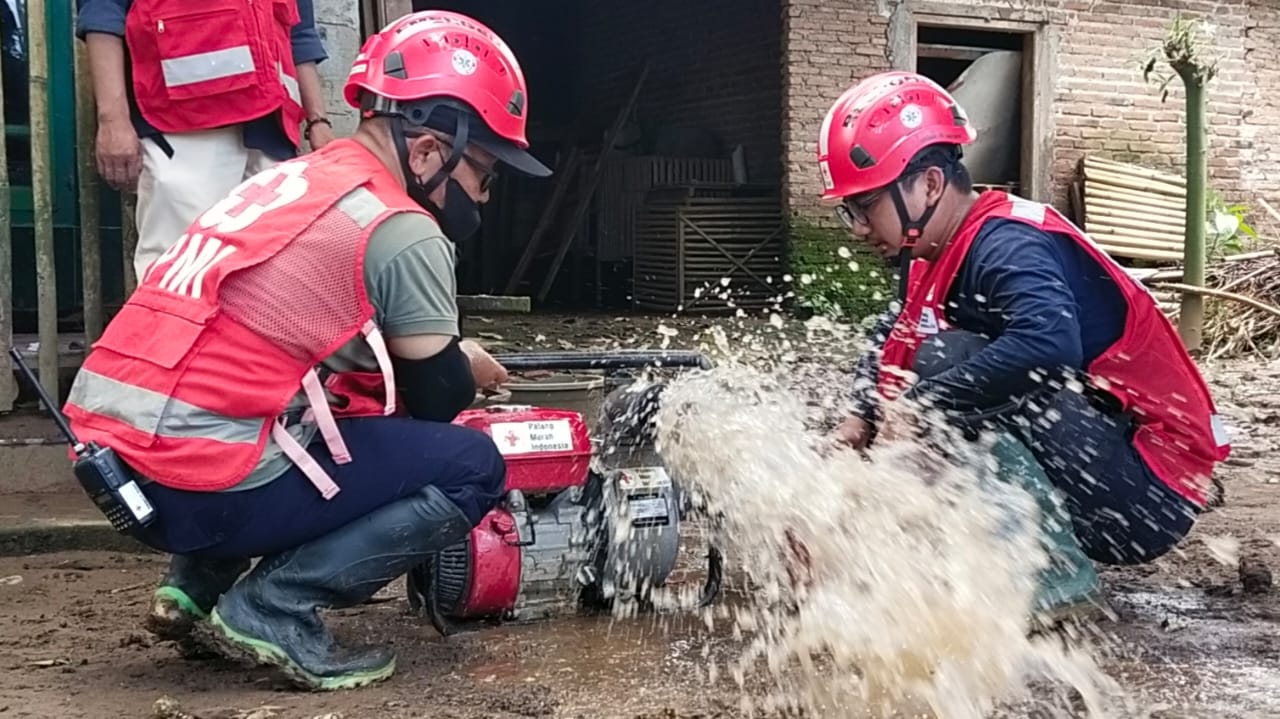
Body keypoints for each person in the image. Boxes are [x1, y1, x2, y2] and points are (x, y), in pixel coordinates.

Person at [60, 10, 553, 690]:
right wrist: (458, 362)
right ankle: (275, 606)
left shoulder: (299, 181)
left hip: (116, 459)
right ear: (430, 151)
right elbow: (439, 397)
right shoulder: (403, 228)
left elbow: (293, 328)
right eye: (485, 175)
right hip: (200, 492)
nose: (483, 197)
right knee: (470, 465)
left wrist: (447, 346)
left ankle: (193, 585)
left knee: (320, 411)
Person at [817, 71, 1231, 622]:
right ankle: (978, 559)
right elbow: (893, 329)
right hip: (1104, 461)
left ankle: (1053, 577)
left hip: (1150, 493)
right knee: (934, 375)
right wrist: (858, 417)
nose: (858, 227)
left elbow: (1046, 347)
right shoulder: (938, 252)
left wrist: (915, 410)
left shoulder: (1008, 244)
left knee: (949, 367)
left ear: (929, 185)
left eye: (864, 206)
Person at [76, 0, 337, 281]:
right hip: (181, 124)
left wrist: (317, 120)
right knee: (181, 278)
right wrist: (112, 118)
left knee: (270, 282)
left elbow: (298, 32)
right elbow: (103, 10)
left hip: (270, 131)